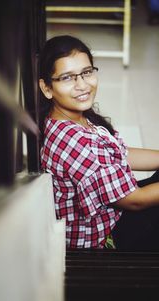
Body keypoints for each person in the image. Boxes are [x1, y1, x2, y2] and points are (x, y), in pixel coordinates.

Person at [38, 35, 159, 251]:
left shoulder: (69, 119)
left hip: (112, 214)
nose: (82, 85)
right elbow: (134, 200)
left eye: (86, 72)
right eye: (67, 78)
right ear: (47, 88)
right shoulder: (77, 142)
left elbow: (122, 154)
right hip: (107, 237)